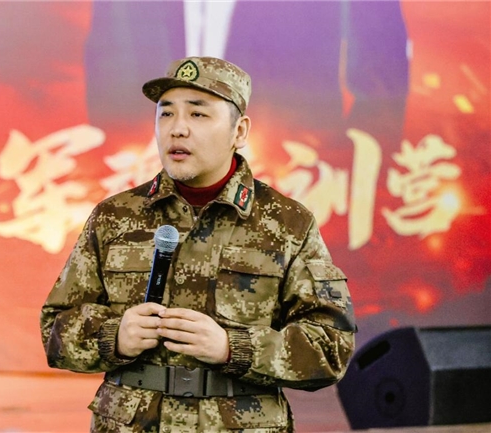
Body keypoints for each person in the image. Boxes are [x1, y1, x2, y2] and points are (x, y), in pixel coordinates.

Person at [40, 56, 356, 432]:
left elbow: (331, 348)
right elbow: (54, 330)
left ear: (239, 131)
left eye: (198, 114)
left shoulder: (288, 223)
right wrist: (115, 337)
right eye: (166, 114)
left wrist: (233, 347)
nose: (177, 129)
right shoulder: (115, 216)